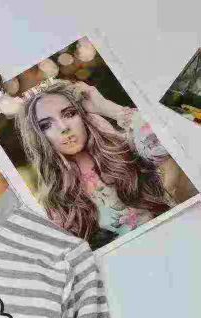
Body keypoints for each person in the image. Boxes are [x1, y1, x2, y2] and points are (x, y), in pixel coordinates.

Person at [16, 80, 195, 248]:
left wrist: (107, 108)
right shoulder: (56, 201)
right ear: (38, 137)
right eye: (46, 125)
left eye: (69, 114)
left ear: (84, 116)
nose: (63, 128)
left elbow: (173, 139)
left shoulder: (128, 150)